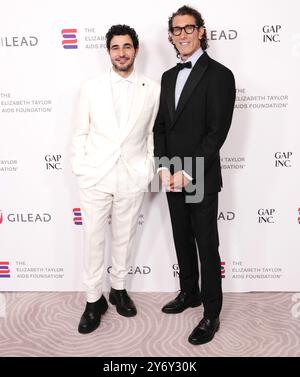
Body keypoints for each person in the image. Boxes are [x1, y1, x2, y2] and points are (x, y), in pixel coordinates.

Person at [154, 5, 235, 344]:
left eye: (189, 28)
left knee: (206, 243)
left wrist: (186, 172)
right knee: (181, 238)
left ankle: (211, 313)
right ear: (170, 36)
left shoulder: (220, 75)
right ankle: (190, 293)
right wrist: (162, 166)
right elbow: (160, 126)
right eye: (177, 29)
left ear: (201, 31)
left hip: (199, 173)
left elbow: (217, 133)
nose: (183, 34)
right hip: (169, 173)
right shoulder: (167, 76)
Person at [71, 24, 160, 334]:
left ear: (135, 49)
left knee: (124, 236)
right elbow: (80, 131)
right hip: (96, 175)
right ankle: (93, 300)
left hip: (132, 175)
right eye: (115, 48)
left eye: (127, 47)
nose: (121, 53)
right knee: (93, 238)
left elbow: (151, 133)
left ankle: (118, 289)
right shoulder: (90, 87)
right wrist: (81, 168)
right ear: (108, 51)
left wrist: (147, 168)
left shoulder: (152, 87)